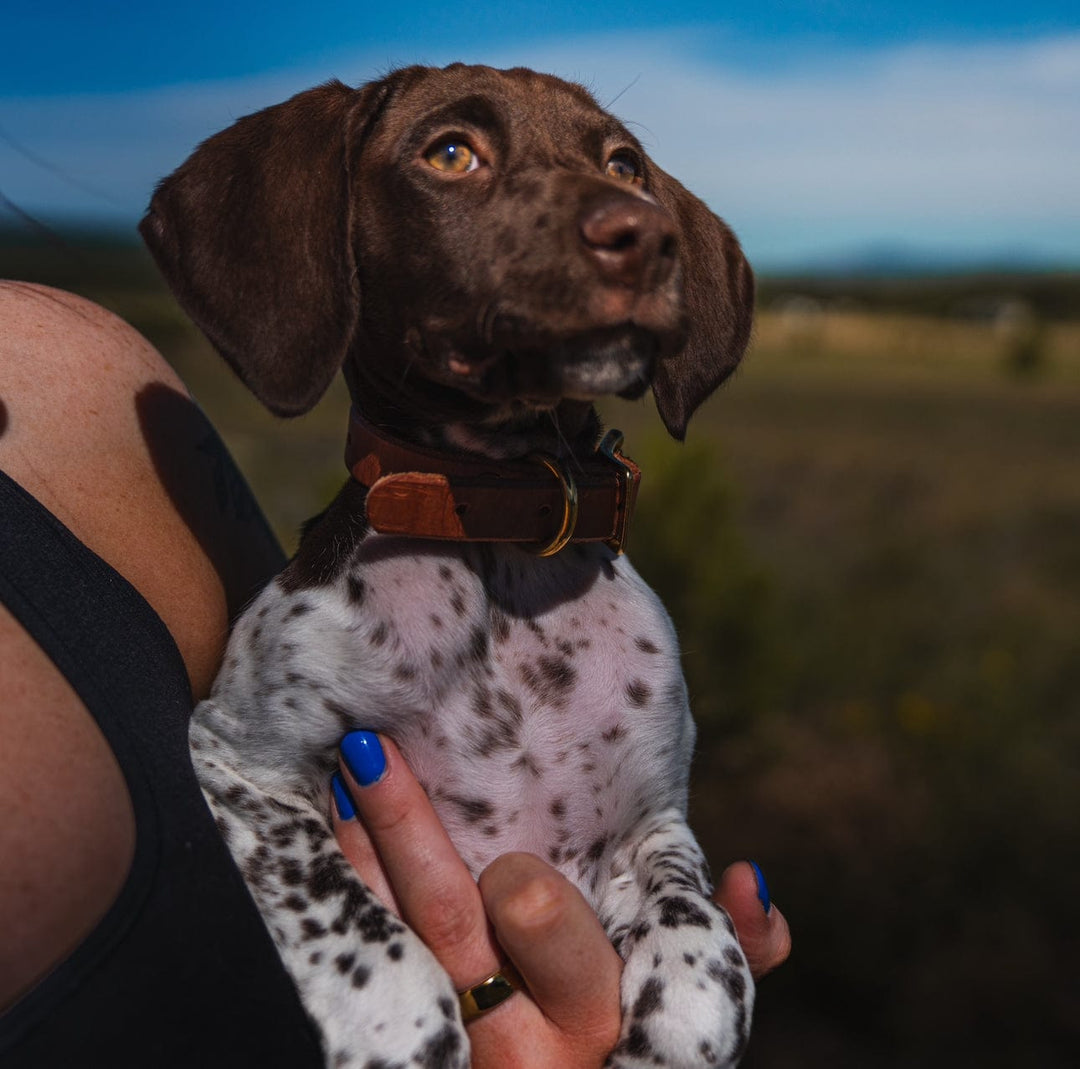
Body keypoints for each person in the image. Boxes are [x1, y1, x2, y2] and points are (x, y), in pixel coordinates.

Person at [0, 282, 790, 1066]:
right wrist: (401, 1019)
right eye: (451, 151)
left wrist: (675, 964)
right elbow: (241, 777)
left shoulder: (79, 379)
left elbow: (640, 844)